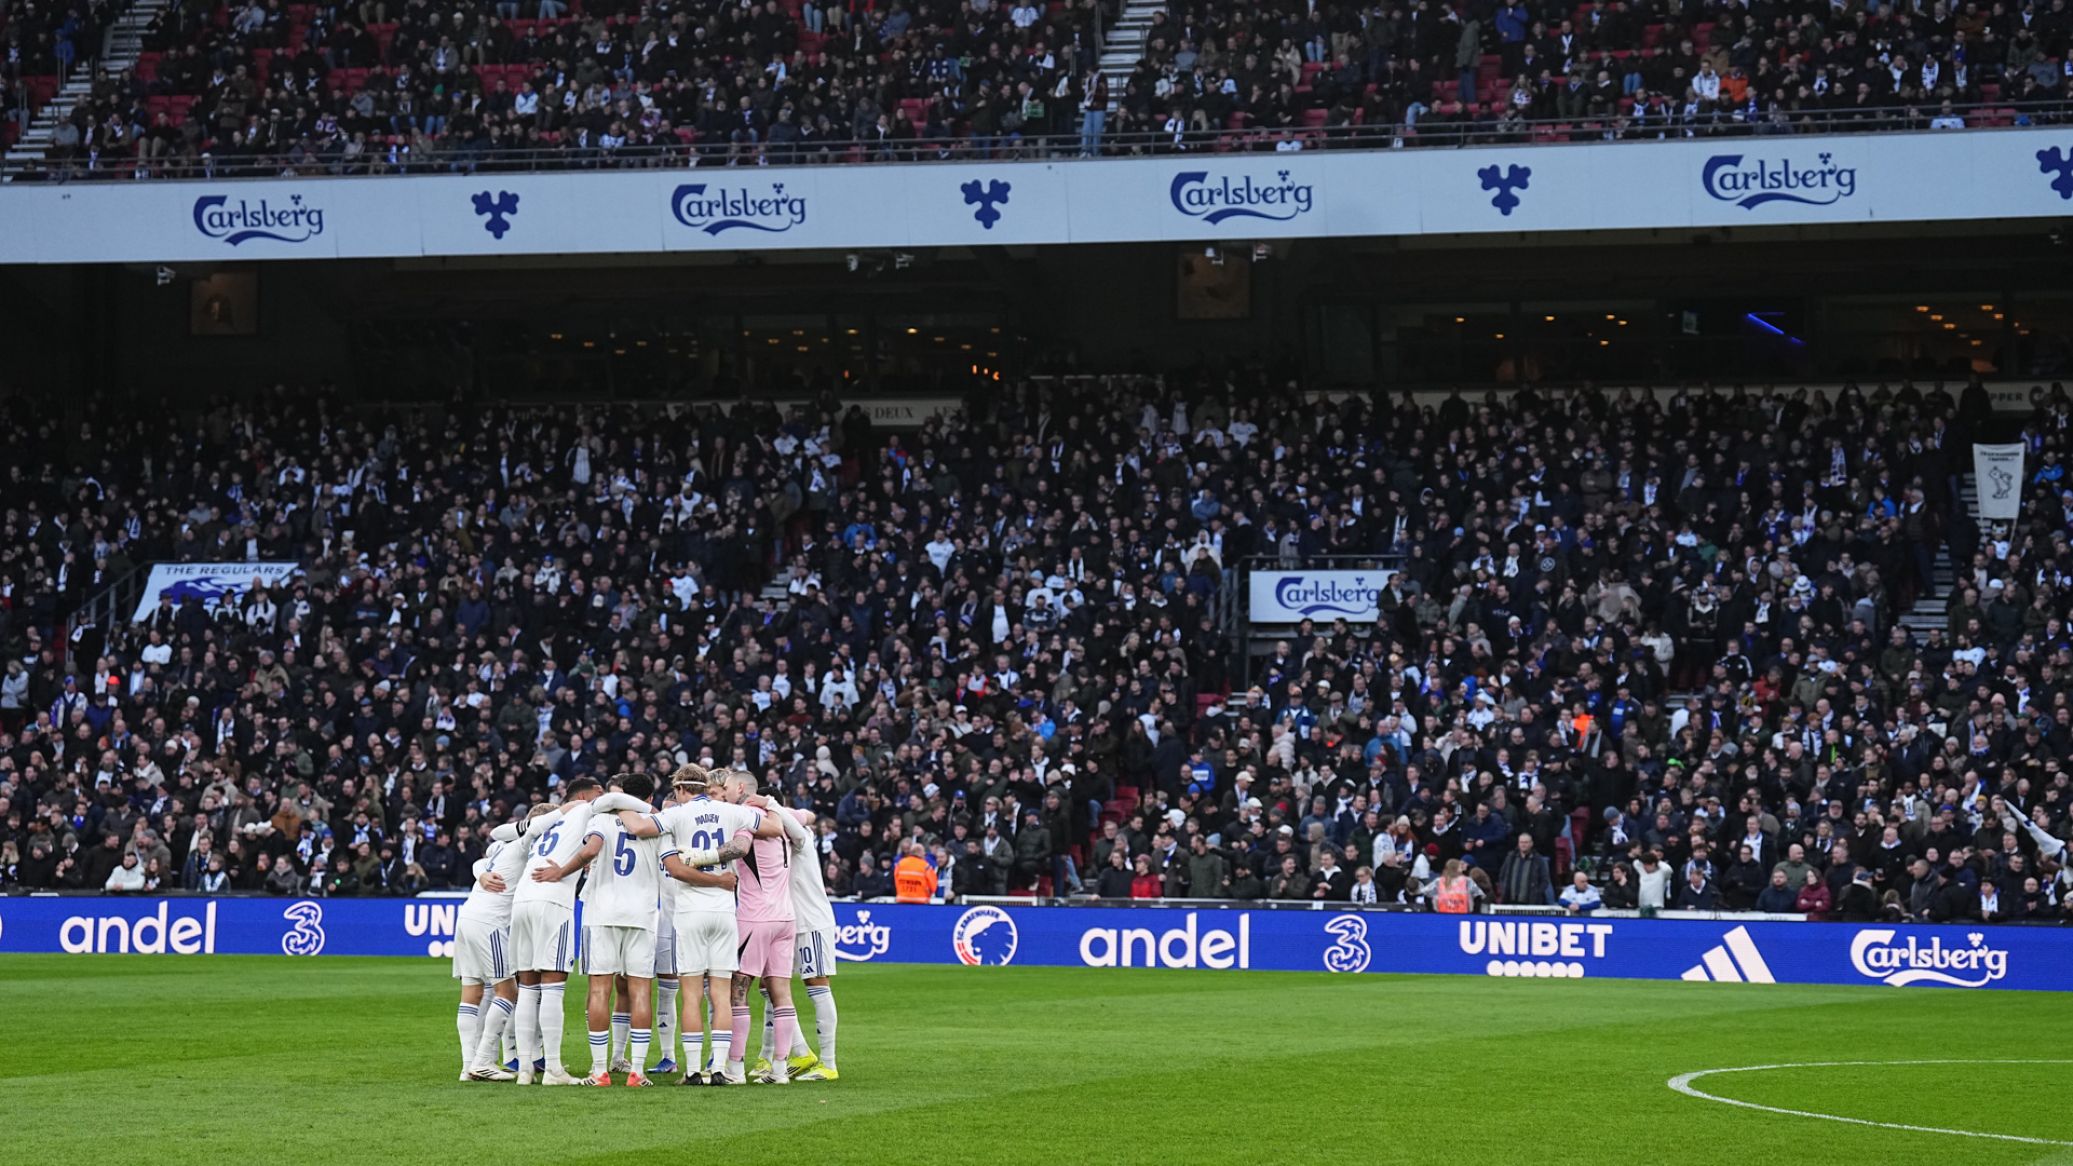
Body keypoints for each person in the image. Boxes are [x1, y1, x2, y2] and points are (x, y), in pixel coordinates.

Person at [609, 763, 772, 1085]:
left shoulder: (675, 817)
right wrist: (767, 804)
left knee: (691, 993)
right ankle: (721, 1069)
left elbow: (639, 827)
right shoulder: (729, 811)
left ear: (682, 789)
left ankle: (694, 1069)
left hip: (690, 913)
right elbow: (773, 827)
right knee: (721, 994)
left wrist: (615, 802)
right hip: (724, 912)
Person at [509, 777, 606, 1086]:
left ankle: (525, 1068)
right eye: (599, 793)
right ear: (585, 796)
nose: (603, 797)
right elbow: (620, 803)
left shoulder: (546, 825)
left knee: (527, 987)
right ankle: (552, 1069)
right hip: (552, 900)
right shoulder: (586, 811)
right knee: (552, 986)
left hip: (522, 900)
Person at [721, 769, 815, 1086]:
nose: (725, 792)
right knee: (781, 993)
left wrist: (702, 856)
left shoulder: (750, 817)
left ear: (742, 789)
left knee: (738, 989)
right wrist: (772, 803)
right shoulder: (784, 817)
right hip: (785, 917)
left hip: (755, 916)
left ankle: (734, 1067)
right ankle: (779, 1069)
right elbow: (808, 815)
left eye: (728, 787)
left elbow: (740, 848)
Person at [576, 773, 667, 1087]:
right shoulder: (657, 823)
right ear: (649, 798)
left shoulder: (601, 820)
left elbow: (590, 851)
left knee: (600, 990)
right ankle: (637, 1071)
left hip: (602, 912)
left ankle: (599, 1070)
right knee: (641, 990)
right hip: (641, 913)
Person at [454, 806, 545, 1082]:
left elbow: (481, 861)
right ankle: (483, 1060)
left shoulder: (499, 849)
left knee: (471, 991)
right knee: (508, 990)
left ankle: (468, 1066)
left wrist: (479, 871)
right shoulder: (525, 846)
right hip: (490, 921)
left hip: (467, 916)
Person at [780, 805, 841, 1082]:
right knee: (772, 985)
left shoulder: (799, 832)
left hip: (810, 921)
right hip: (787, 920)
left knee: (816, 983)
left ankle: (828, 1063)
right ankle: (801, 1051)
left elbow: (803, 819)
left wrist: (766, 804)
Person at [1496, 833, 1552, 905]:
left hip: (1530, 904)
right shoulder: (1510, 858)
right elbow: (1502, 875)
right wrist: (1504, 888)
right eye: (1521, 842)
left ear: (1531, 844)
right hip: (1510, 902)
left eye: (1526, 842)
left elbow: (1545, 880)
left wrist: (1536, 893)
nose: (1523, 845)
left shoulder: (1538, 860)